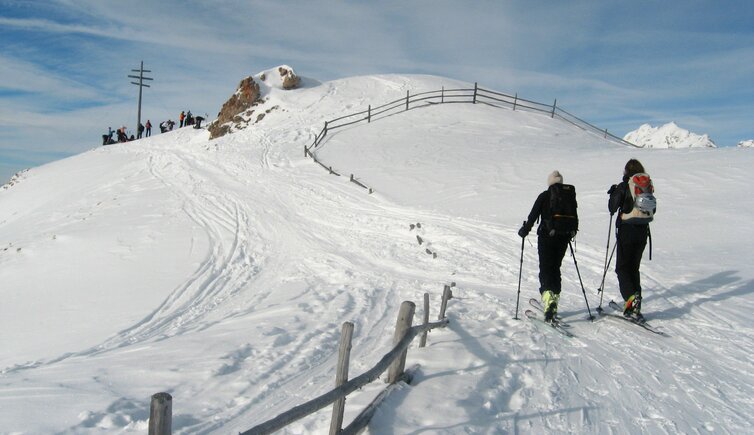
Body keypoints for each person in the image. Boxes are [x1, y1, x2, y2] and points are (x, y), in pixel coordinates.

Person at [518, 170, 576, 321]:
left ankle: (548, 298)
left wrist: (525, 230)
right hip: (564, 237)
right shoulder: (568, 196)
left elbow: (533, 215)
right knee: (555, 267)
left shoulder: (545, 195)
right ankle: (554, 299)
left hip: (547, 237)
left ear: (550, 182)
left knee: (546, 267)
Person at [608, 159, 653, 320]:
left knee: (622, 268)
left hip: (627, 230)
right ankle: (635, 303)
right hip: (643, 231)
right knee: (633, 268)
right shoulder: (646, 185)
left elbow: (612, 208)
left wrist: (615, 192)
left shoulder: (625, 185)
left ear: (626, 171)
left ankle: (630, 299)